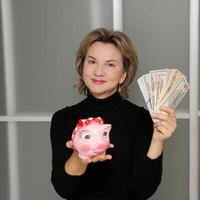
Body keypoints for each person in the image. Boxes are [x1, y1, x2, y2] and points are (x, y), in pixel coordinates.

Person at [50, 27, 177, 200]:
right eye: (92, 61)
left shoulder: (141, 119)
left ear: (123, 75)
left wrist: (157, 141)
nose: (99, 72)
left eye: (110, 64)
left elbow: (143, 190)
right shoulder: (63, 119)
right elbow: (64, 190)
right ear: (82, 67)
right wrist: (80, 156)